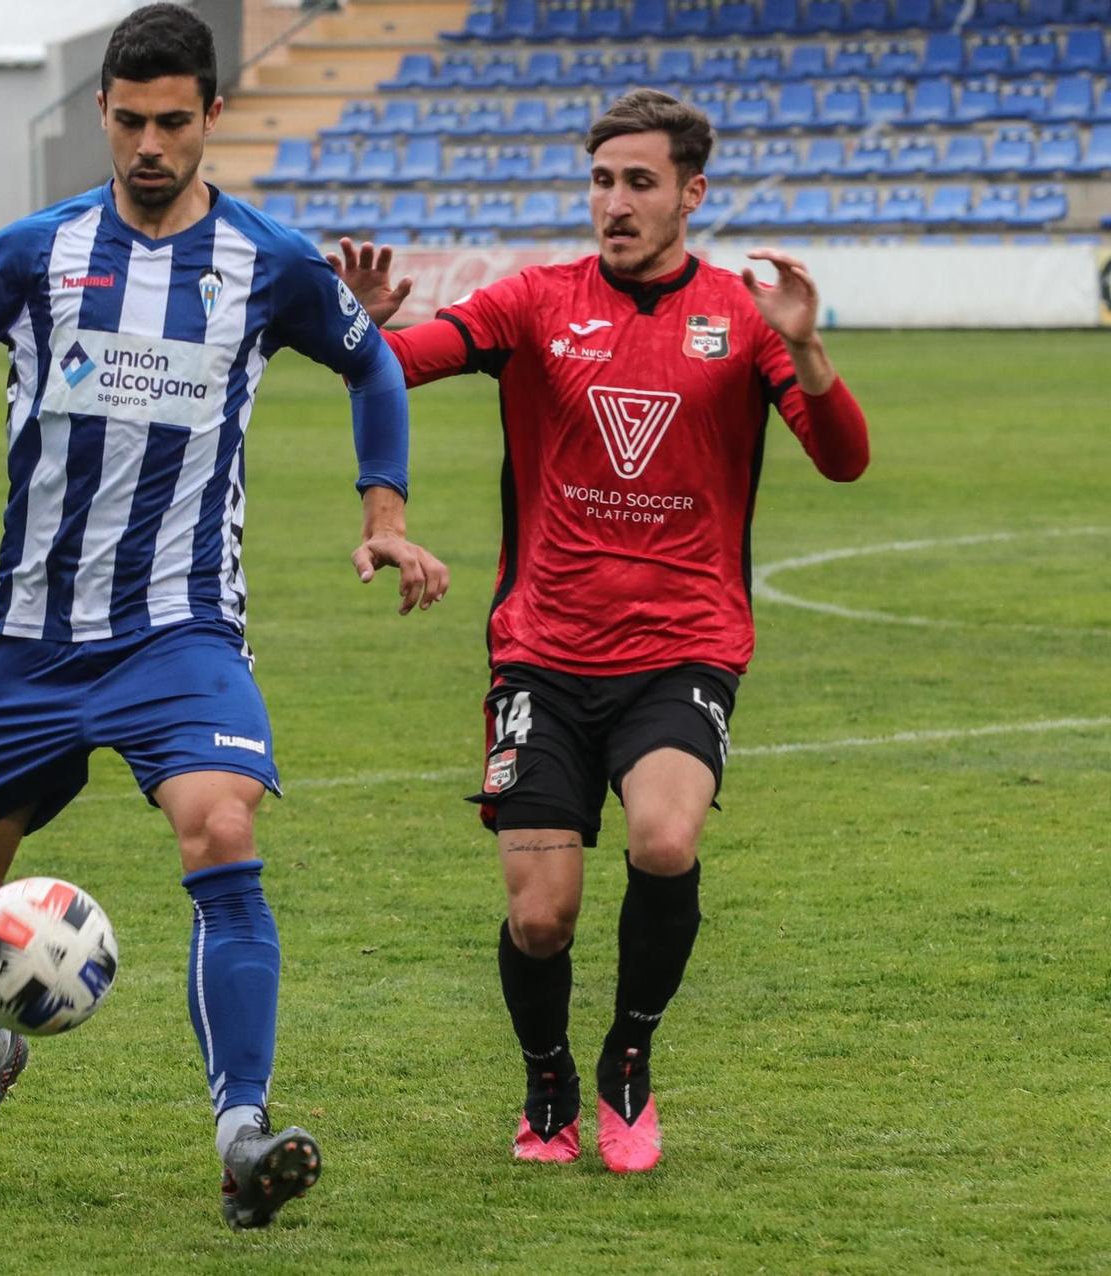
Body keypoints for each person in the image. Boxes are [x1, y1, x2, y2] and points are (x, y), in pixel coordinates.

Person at [0, 4, 448, 1231]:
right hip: (29, 634)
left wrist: (383, 513)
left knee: (220, 824)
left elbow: (372, 363)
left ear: (210, 118)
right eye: (127, 120)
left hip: (180, 627)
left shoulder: (268, 264)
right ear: (101, 114)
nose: (146, 143)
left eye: (170, 121)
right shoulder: (42, 250)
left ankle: (243, 1130)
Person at [332, 88, 871, 1173]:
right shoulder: (534, 301)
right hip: (540, 647)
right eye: (600, 181)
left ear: (689, 193)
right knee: (540, 919)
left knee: (663, 839)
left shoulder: (739, 315)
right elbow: (401, 364)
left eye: (638, 183)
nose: (613, 203)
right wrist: (365, 329)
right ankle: (547, 1075)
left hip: (684, 643)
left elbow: (841, 456)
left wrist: (807, 352)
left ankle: (628, 1055)